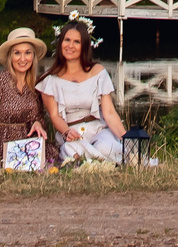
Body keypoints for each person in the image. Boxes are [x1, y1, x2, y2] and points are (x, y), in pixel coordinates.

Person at [42, 18, 128, 165]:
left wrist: (128, 140)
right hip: (71, 134)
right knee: (70, 150)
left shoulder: (98, 72)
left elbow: (109, 113)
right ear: (60, 43)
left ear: (84, 46)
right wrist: (67, 132)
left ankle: (107, 160)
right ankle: (104, 164)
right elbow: (55, 116)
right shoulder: (50, 80)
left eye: (76, 42)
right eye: (67, 40)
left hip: (98, 129)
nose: (70, 45)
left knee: (105, 147)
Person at [0, 26, 48, 165]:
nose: (22, 59)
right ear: (10, 56)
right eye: (17, 53)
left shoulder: (35, 85)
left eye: (27, 53)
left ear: (33, 56)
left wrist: (37, 123)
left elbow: (38, 117)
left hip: (27, 145)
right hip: (1, 145)